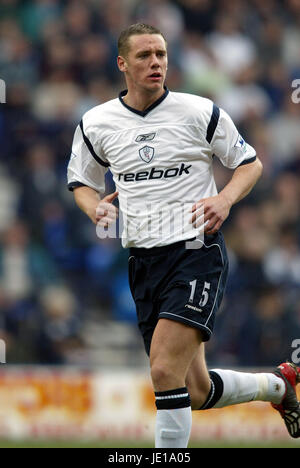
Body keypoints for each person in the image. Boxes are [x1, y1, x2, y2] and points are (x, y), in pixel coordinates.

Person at [67, 23, 300, 447]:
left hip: (196, 253)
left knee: (162, 372)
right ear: (122, 63)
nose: (155, 62)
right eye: (144, 56)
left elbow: (250, 164)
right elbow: (81, 181)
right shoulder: (96, 122)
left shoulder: (200, 111)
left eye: (161, 54)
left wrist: (225, 199)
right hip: (142, 260)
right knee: (194, 391)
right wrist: (94, 206)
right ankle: (279, 386)